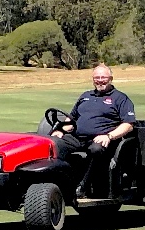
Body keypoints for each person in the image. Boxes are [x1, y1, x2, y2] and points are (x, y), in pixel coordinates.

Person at [51, 64, 136, 195]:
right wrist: (60, 131)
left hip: (103, 139)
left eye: (103, 77)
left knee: (95, 149)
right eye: (97, 77)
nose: (100, 80)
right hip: (77, 138)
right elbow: (71, 119)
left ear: (111, 78)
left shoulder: (120, 98)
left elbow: (128, 124)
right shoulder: (85, 96)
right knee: (54, 144)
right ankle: (58, 182)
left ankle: (82, 187)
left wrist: (109, 136)